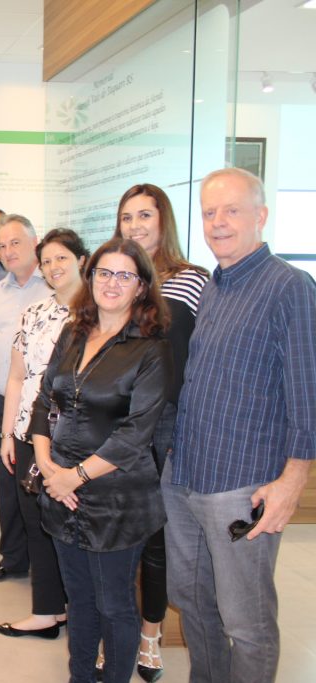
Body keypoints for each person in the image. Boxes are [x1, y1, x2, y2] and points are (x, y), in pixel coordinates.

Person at [163, 168, 316, 683]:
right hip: (185, 475)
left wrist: (292, 482)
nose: (219, 222)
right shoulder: (213, 287)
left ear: (261, 215)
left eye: (232, 211)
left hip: (242, 486)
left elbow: (307, 393)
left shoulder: (289, 287)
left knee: (246, 621)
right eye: (209, 213)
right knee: (191, 599)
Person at [29, 237, 171, 683]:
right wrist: (48, 468)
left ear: (141, 286)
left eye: (125, 275)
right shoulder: (73, 333)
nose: (112, 283)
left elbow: (135, 434)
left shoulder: (150, 349)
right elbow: (43, 401)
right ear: (90, 278)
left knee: (114, 606)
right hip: (61, 492)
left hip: (116, 499)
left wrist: (75, 476)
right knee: (80, 601)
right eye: (104, 273)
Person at [113, 183, 209, 680]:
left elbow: (199, 359)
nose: (135, 226)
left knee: (155, 536)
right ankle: (115, 632)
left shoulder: (191, 279)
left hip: (164, 423)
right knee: (114, 532)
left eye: (145, 216)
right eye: (127, 217)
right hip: (117, 421)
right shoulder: (117, 277)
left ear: (163, 220)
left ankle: (151, 636)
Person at [0, 228, 88, 641]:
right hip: (29, 434)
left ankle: (82, 614)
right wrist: (7, 434)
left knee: (74, 527)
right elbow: (17, 377)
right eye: (46, 261)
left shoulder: (98, 314)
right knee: (37, 523)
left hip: (76, 439)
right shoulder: (34, 312)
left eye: (61, 258)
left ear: (81, 260)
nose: (53, 267)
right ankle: (47, 611)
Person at [0, 214, 51, 583]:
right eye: (1, 246)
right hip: (6, 403)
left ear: (34, 243)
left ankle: (48, 568)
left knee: (40, 486)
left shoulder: (53, 285)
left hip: (45, 409)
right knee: (7, 487)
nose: (7, 251)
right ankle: (13, 558)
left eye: (15, 243)